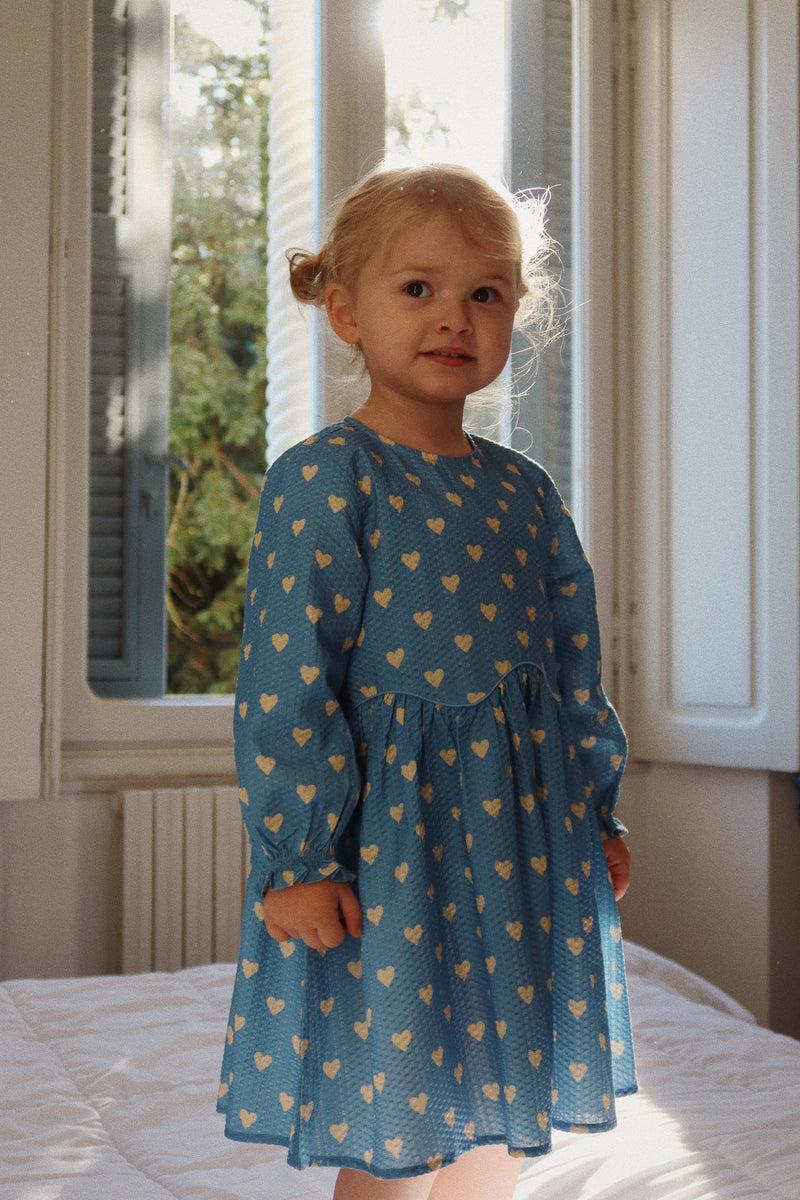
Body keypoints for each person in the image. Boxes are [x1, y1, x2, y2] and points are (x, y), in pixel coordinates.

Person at [218, 162, 636, 1200]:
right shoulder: (326, 478)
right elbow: (286, 679)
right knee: (399, 1115)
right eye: (419, 288)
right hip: (389, 854)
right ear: (343, 309)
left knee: (502, 1096)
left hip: (522, 848)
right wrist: (299, 855)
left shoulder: (526, 495)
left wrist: (595, 802)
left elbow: (574, 663)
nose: (454, 316)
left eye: (484, 294)